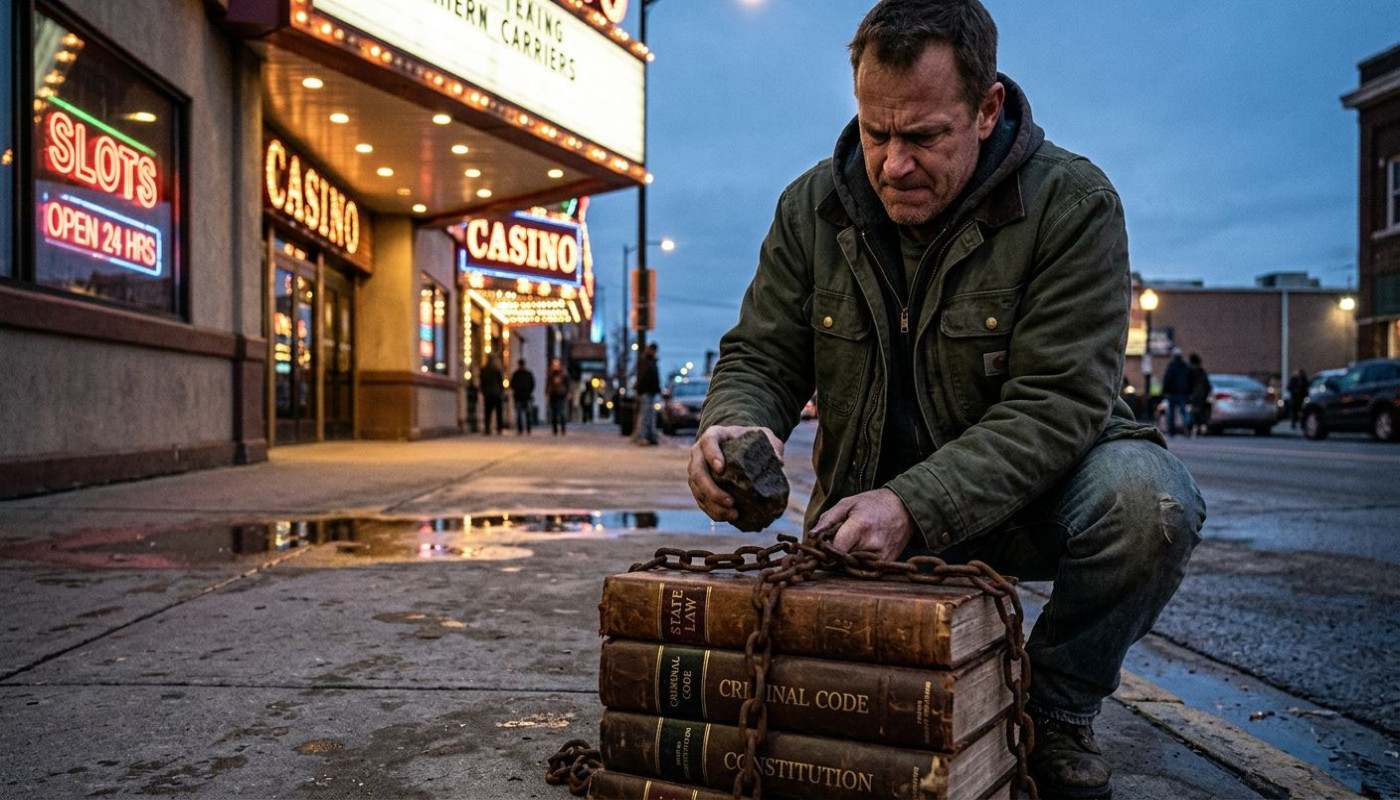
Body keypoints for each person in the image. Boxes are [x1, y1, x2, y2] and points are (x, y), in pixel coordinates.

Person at [686, 3, 1205, 798]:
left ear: (987, 109)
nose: (893, 164)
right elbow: (763, 351)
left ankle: (1056, 713)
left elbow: (1056, 404)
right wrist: (734, 421)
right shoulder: (810, 207)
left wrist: (912, 503)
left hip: (1031, 501)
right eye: (874, 132)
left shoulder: (1074, 205)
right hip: (869, 517)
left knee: (1150, 504)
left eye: (924, 137)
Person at [633, 343, 661, 446]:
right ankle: (642, 437)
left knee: (649, 415)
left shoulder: (650, 361)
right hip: (646, 392)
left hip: (649, 392)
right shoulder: (646, 361)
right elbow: (644, 377)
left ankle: (648, 436)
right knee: (645, 415)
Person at [1160, 348, 1192, 437]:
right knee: (1183, 411)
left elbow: (1167, 379)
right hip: (1183, 393)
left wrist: (1164, 391)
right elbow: (1190, 380)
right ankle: (1187, 426)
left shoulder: (1171, 366)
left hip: (1173, 393)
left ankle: (1172, 430)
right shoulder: (1186, 366)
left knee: (1172, 413)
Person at [1186, 353, 1212, 437]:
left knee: (1194, 413)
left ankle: (1191, 429)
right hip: (1202, 396)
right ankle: (1201, 428)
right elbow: (1208, 386)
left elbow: (1188, 384)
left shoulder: (1191, 372)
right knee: (1200, 413)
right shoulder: (1202, 372)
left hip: (1194, 396)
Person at [479, 355, 505, 435]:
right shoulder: (496, 370)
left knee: (488, 412)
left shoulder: (484, 370)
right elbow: (501, 383)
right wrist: (501, 391)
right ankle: (499, 429)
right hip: (496, 394)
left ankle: (487, 428)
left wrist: (483, 391)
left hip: (488, 394)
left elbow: (482, 383)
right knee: (498, 413)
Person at [545, 359, 572, 436]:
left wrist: (569, 393)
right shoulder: (550, 374)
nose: (555, 366)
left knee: (562, 413)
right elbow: (548, 384)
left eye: (557, 364)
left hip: (562, 394)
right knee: (554, 413)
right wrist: (547, 393)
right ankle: (555, 430)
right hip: (553, 395)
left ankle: (563, 429)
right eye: (554, 364)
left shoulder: (563, 374)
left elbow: (567, 384)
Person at [510, 359, 537, 435]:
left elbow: (532, 384)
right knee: (520, 414)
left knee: (526, 414)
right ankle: (521, 429)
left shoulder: (523, 374)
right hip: (520, 397)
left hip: (525, 396)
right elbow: (512, 384)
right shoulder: (518, 374)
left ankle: (527, 429)